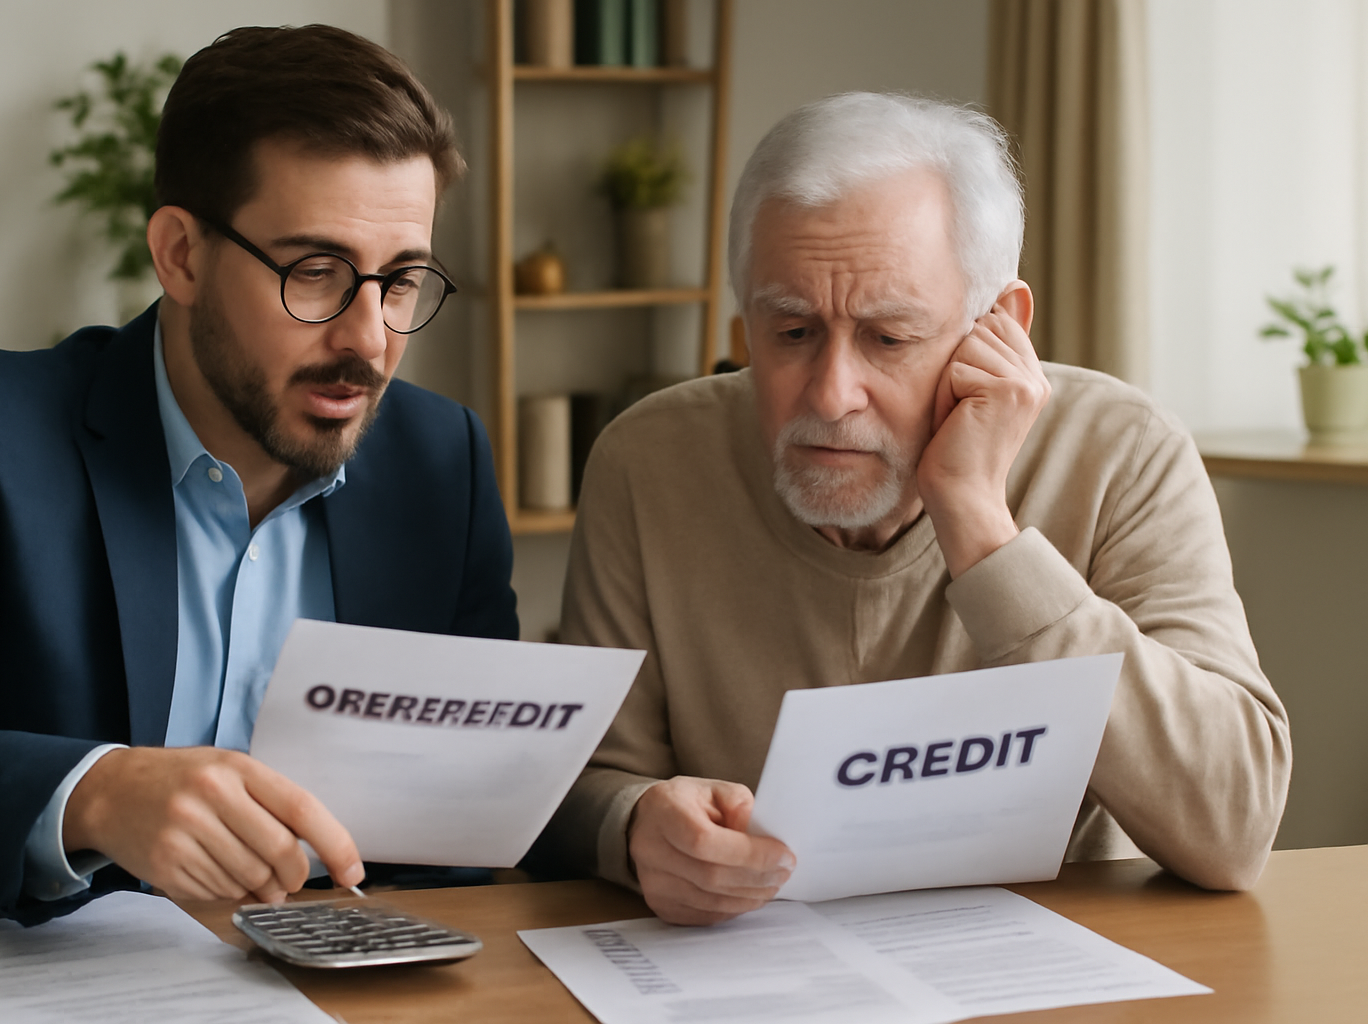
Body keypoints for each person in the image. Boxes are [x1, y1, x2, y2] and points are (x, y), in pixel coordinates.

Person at [537, 93, 1291, 926]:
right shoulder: (648, 461)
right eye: (790, 331)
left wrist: (979, 524)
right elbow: (580, 786)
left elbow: (1234, 824)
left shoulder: (1123, 449)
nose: (830, 394)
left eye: (888, 339)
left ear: (999, 327)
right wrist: (637, 825)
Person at [0, 25, 516, 923]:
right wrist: (99, 796)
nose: (369, 339)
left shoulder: (443, 462)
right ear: (180, 254)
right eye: (316, 273)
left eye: (400, 281)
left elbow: (480, 798)